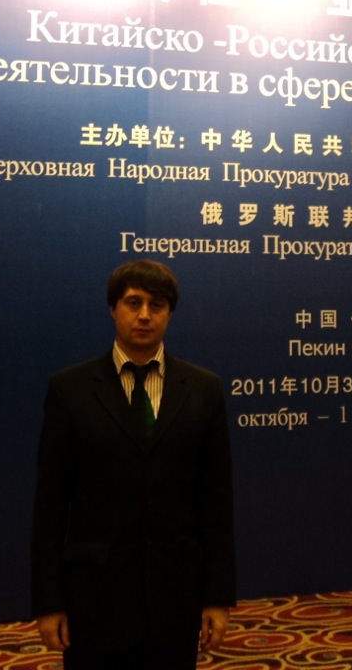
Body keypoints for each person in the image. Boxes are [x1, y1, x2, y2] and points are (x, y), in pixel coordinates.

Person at [31, 259, 236, 670]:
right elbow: (50, 504)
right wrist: (49, 601)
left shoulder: (204, 389)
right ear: (113, 309)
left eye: (156, 305)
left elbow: (216, 504)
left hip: (175, 596)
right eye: (133, 303)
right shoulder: (70, 389)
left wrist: (217, 598)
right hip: (95, 596)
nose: (144, 315)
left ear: (169, 313)